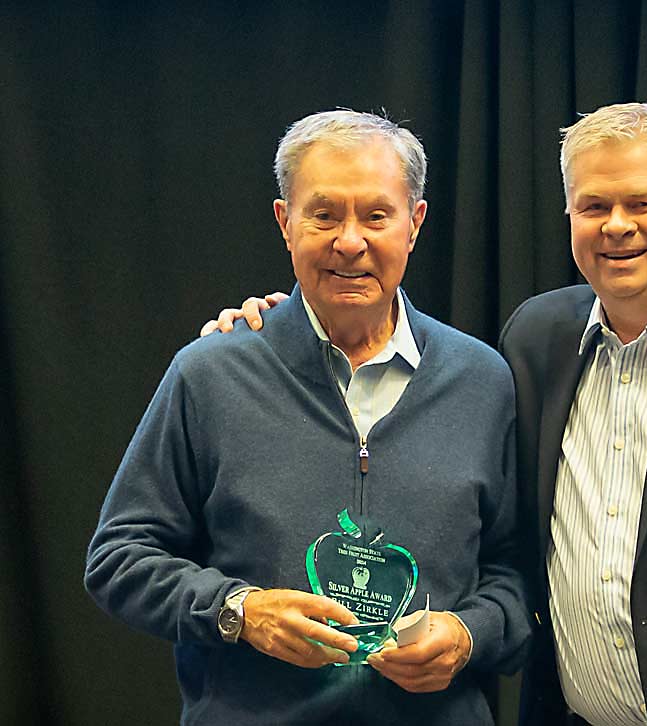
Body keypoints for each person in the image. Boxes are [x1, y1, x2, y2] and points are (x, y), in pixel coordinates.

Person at [204, 102, 647, 726]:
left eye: (642, 204)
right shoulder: (536, 341)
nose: (616, 227)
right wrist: (279, 324)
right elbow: (510, 549)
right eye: (593, 206)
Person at [85, 110, 531, 726]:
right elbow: (118, 558)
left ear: (415, 224)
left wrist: (469, 634)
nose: (350, 241)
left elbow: (516, 571)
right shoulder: (211, 373)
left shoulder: (482, 380)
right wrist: (240, 610)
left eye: (377, 215)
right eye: (324, 214)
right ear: (285, 222)